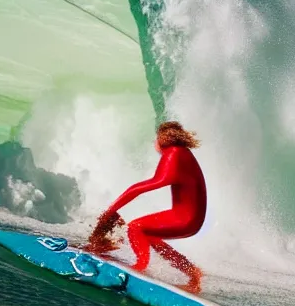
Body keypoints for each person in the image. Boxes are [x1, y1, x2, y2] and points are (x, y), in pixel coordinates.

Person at [88, 121, 207, 294]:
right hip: (190, 217)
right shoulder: (182, 153)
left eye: (155, 139)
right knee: (150, 235)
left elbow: (145, 186)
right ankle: (193, 272)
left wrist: (111, 209)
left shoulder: (173, 154)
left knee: (136, 227)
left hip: (186, 219)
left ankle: (140, 266)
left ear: (162, 140)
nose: (154, 144)